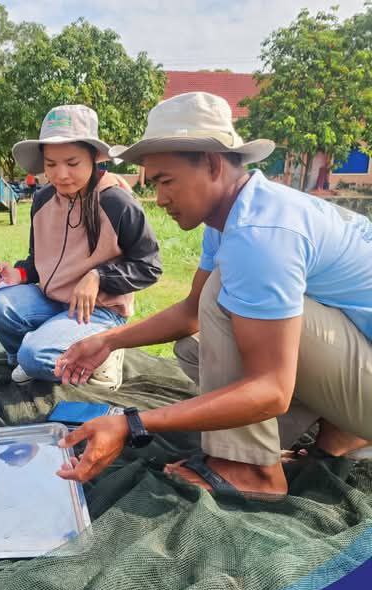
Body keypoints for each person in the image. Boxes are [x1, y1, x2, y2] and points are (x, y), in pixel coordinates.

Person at [55, 92, 372, 496]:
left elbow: (273, 389)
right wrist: (108, 340)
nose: (160, 199)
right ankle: (342, 433)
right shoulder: (236, 215)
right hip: (358, 358)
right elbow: (191, 312)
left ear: (211, 163)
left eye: (166, 181)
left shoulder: (259, 234)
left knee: (223, 292)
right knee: (194, 347)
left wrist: (132, 423)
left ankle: (251, 470)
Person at [0, 104, 162, 389]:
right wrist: (19, 274)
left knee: (35, 355)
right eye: (51, 164)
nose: (61, 174)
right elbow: (38, 260)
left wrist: (98, 276)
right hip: (51, 300)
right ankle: (31, 357)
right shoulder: (42, 200)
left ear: (94, 158)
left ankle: (103, 354)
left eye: (72, 163)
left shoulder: (117, 203)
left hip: (99, 310)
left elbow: (149, 266)